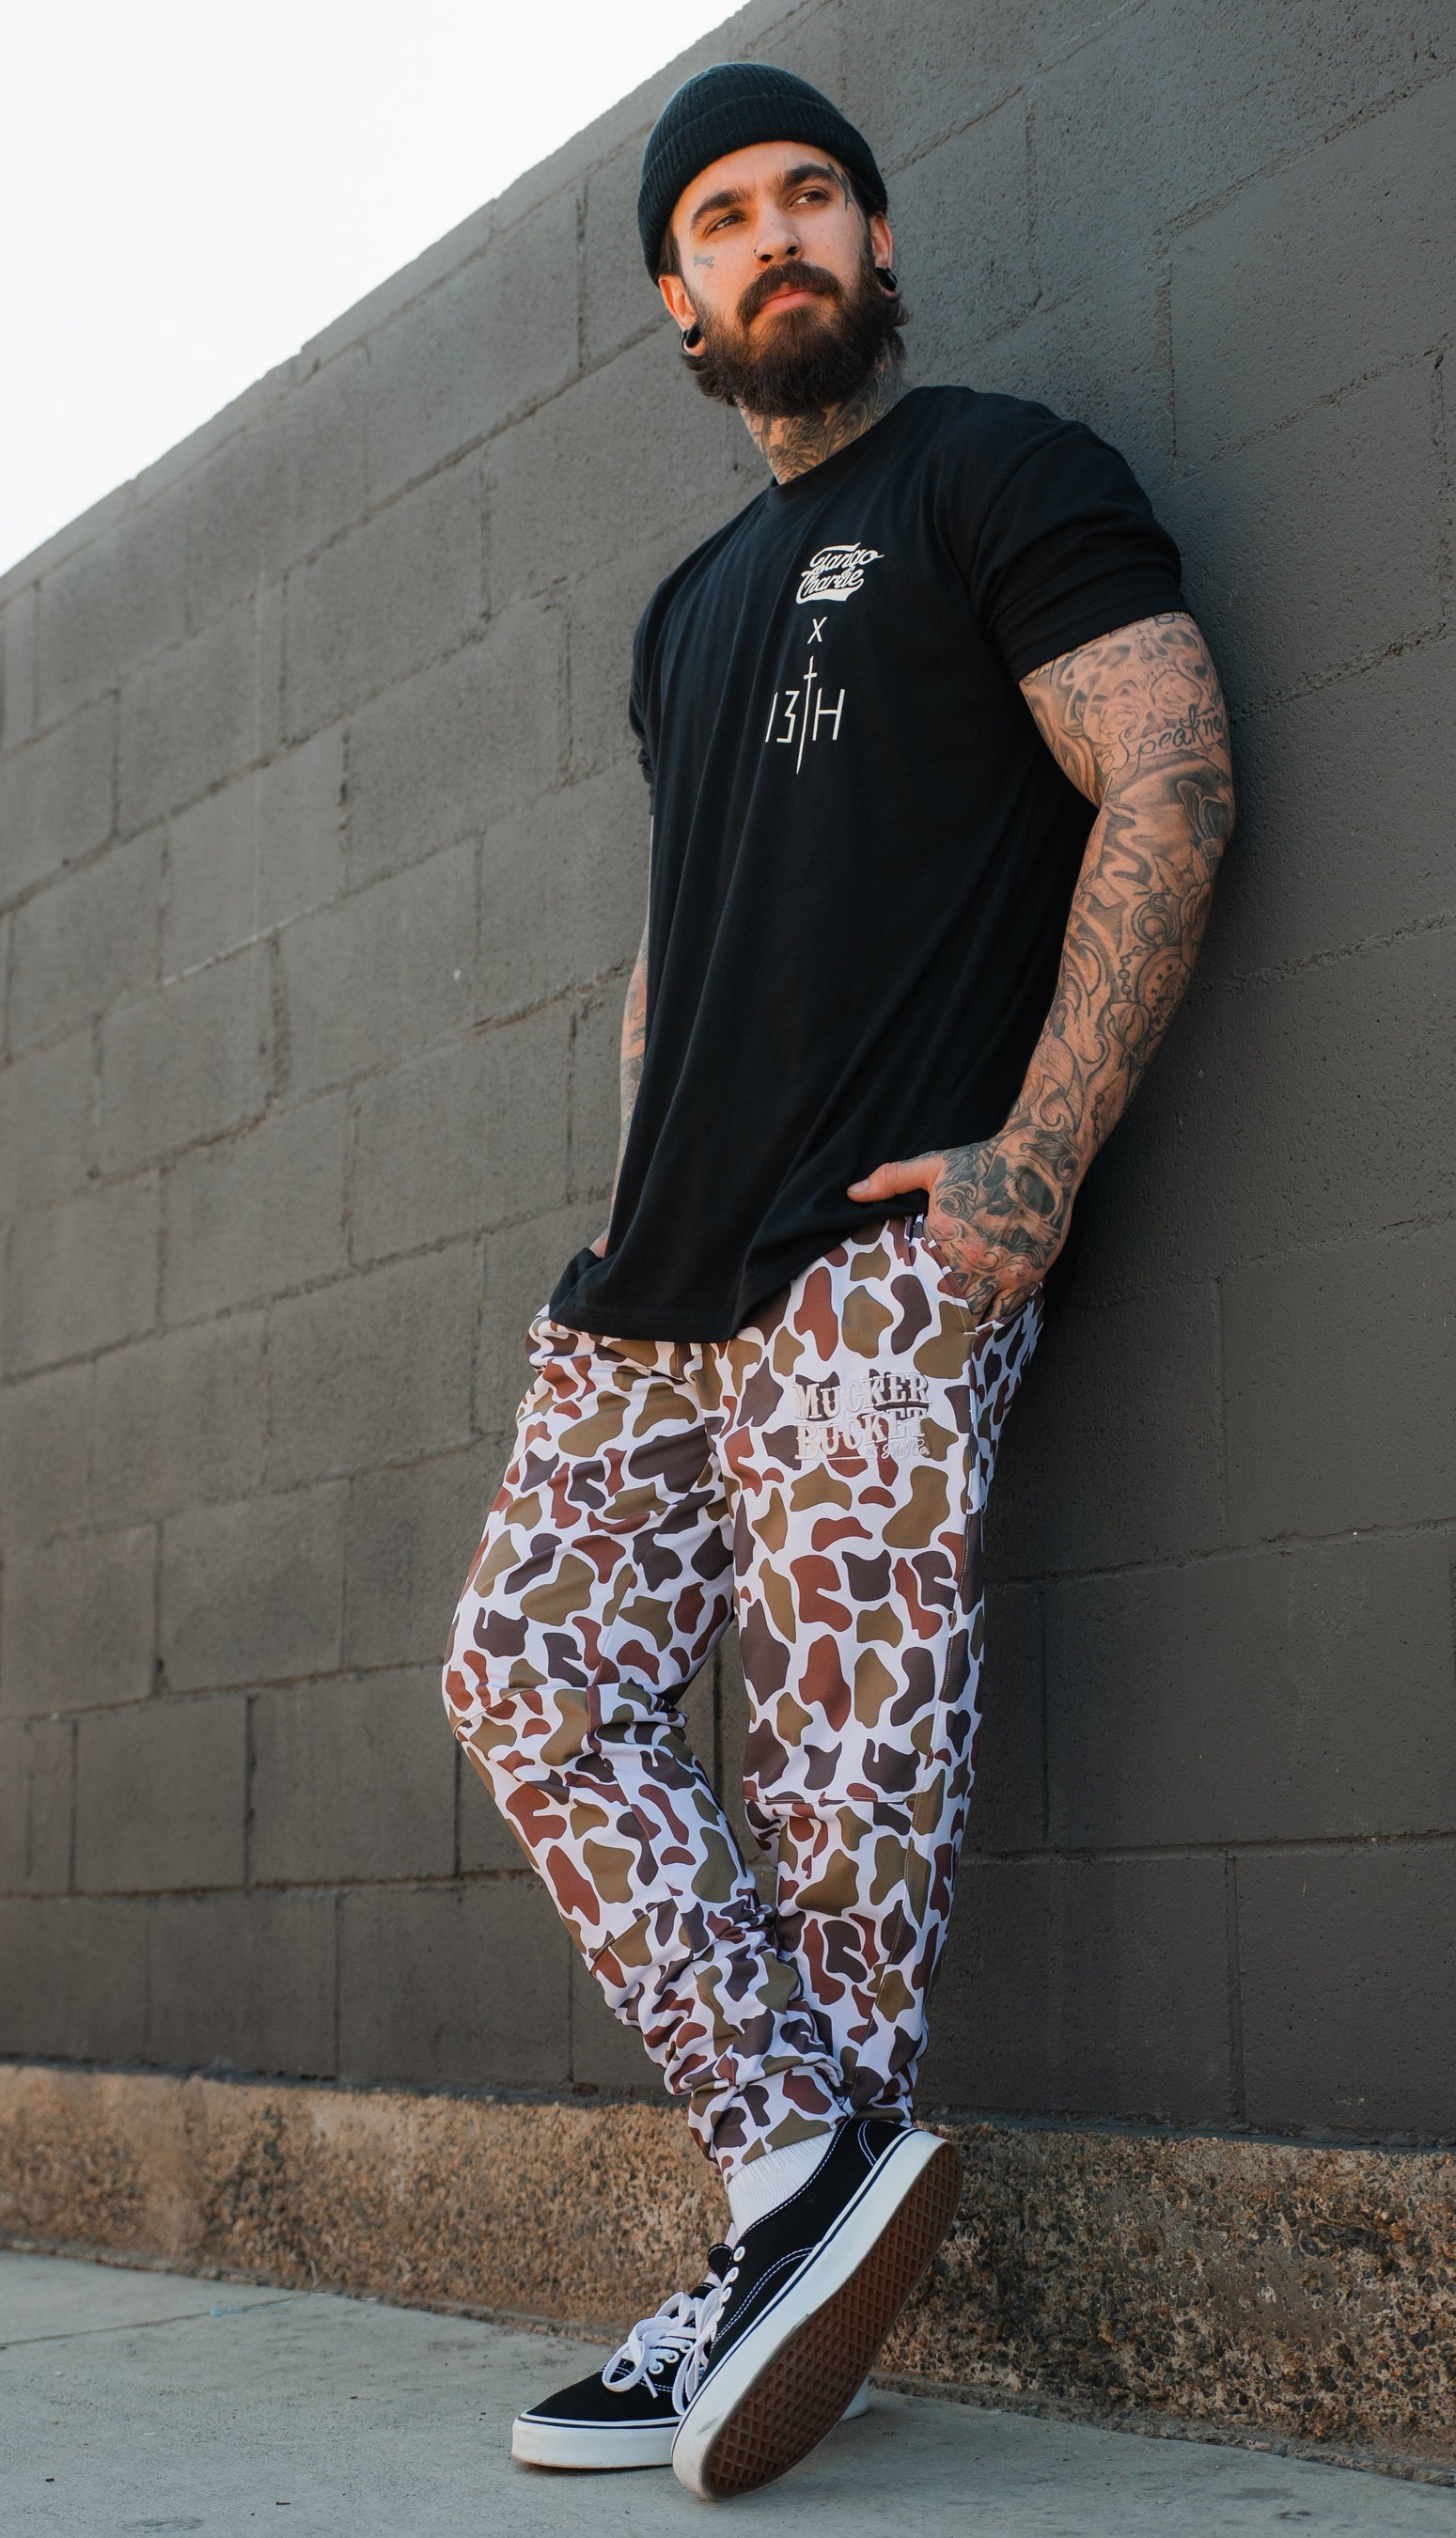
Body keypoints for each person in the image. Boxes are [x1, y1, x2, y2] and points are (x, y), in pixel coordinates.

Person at [441, 58, 1233, 2501]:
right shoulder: (678, 615)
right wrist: (622, 1183)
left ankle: (785, 2251)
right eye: (722, 219)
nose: (773, 237)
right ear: (679, 305)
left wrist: (1043, 1154)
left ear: (876, 247)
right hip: (647, 1290)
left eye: (812, 198)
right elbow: (677, 957)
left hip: (881, 1266)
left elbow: (1173, 766)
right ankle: (797, 2177)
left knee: (832, 1776)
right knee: (521, 1681)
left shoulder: (1003, 473)